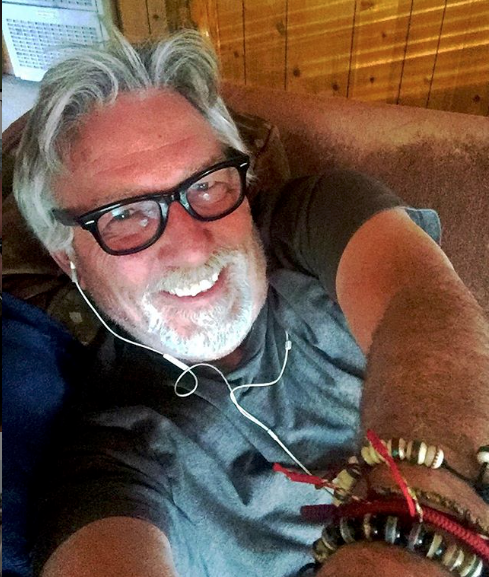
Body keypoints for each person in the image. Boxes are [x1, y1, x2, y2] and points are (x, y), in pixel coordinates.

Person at [11, 28, 488, 577]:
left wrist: (409, 535)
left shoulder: (312, 222)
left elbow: (422, 304)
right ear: (66, 256)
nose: (191, 245)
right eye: (125, 215)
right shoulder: (111, 449)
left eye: (206, 184)